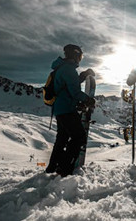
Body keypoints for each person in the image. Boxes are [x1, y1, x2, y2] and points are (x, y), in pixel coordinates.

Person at [45, 44, 95, 176]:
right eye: (80, 56)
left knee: (62, 138)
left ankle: (52, 167)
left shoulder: (62, 67)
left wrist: (83, 76)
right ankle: (65, 168)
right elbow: (75, 91)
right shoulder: (69, 69)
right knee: (79, 137)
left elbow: (70, 83)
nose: (80, 59)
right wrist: (88, 100)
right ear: (75, 55)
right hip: (67, 109)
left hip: (60, 109)